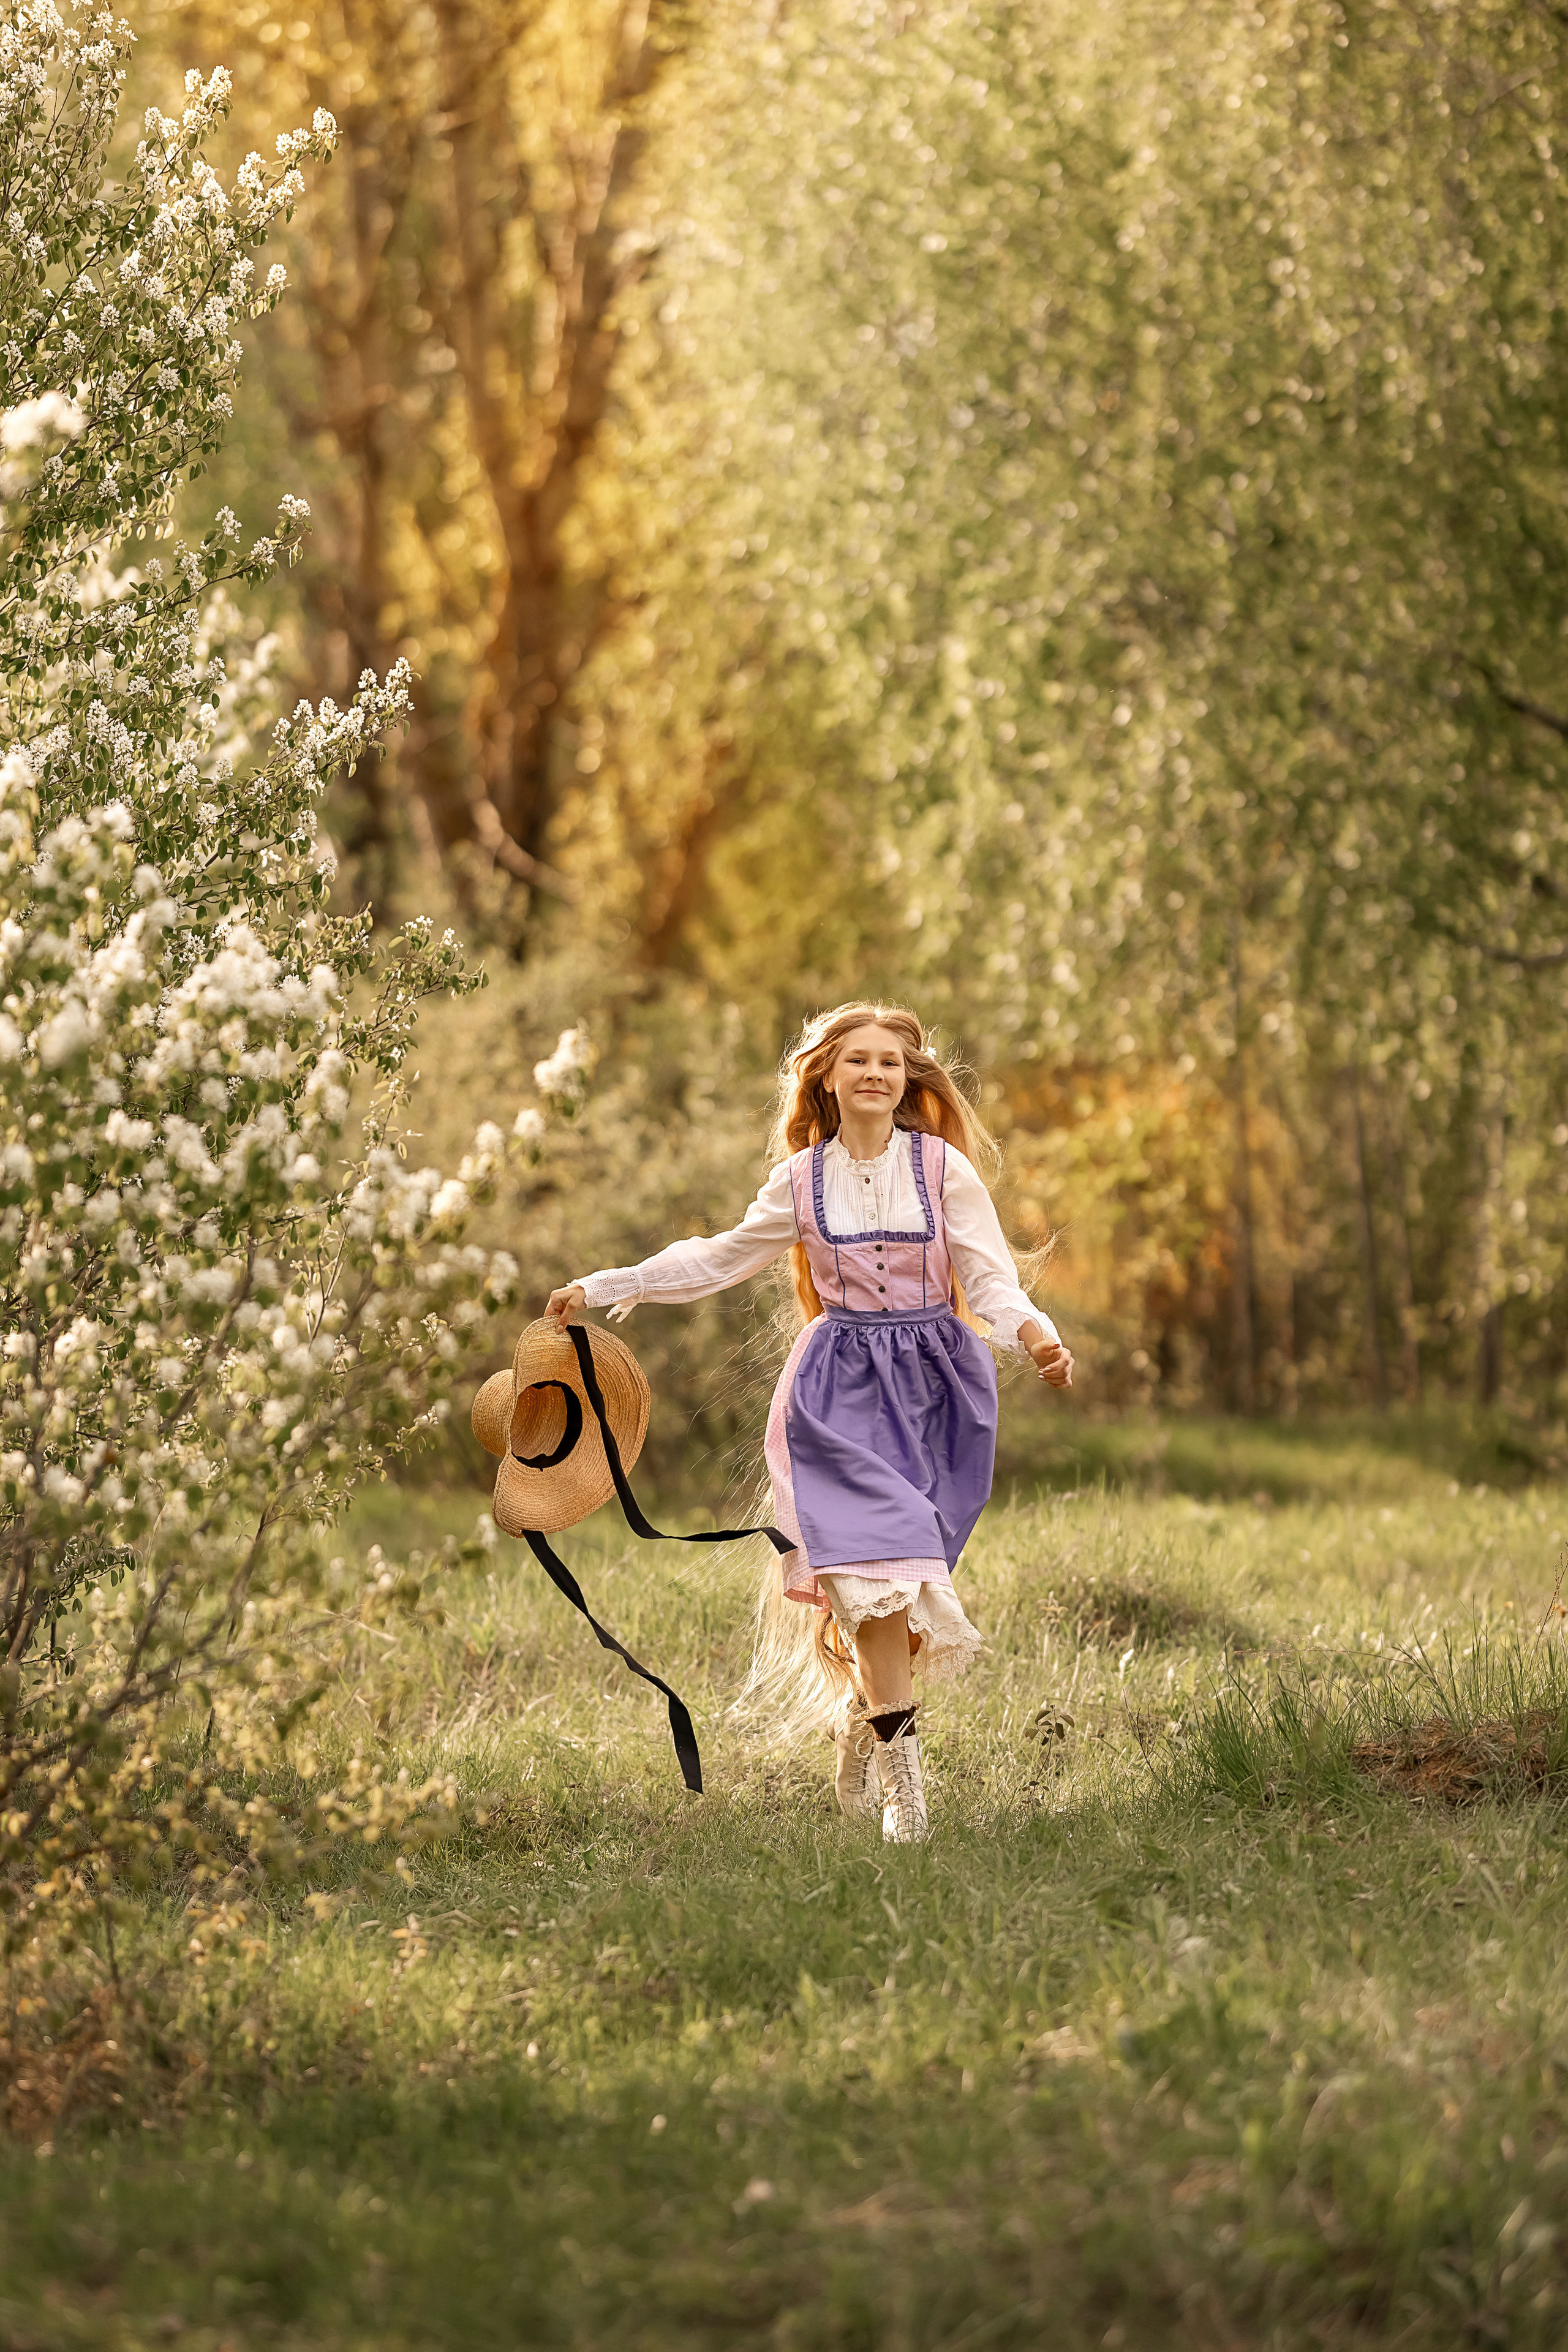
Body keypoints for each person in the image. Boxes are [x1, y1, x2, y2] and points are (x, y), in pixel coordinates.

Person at [546, 1001, 1073, 1842]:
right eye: (857, 1059)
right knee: (867, 1584)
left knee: (893, 1599)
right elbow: (718, 1255)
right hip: (836, 1399)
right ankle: (909, 1790)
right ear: (825, 1075)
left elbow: (990, 1277)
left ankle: (862, 1722)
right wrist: (607, 1286)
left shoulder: (942, 1171)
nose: (874, 1073)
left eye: (890, 1063)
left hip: (938, 1396)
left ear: (907, 1081)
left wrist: (1036, 1337)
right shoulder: (802, 1181)